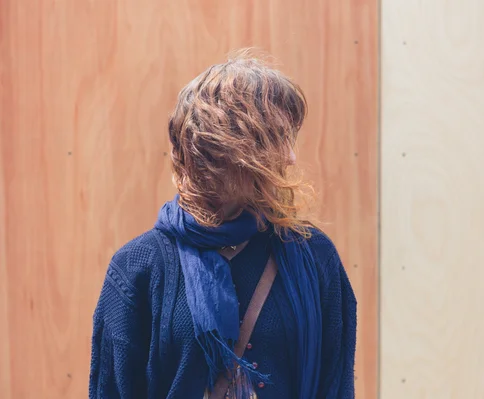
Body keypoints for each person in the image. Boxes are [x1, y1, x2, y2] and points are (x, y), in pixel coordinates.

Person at [88, 52, 357, 399]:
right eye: (273, 137)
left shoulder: (313, 255)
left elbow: (336, 387)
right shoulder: (139, 268)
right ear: (220, 150)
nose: (290, 158)